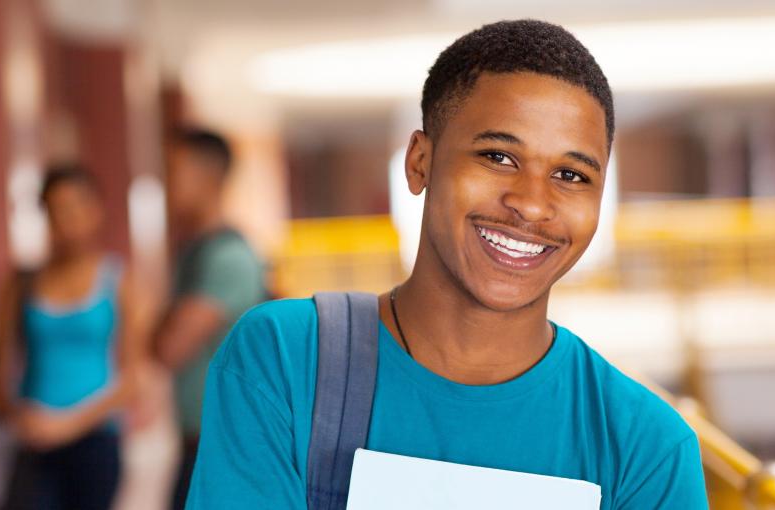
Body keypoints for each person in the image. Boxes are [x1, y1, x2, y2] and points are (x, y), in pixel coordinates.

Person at [186, 20, 708, 509]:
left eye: (571, 175)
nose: (531, 203)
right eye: (498, 157)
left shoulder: (646, 445)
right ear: (420, 162)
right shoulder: (286, 359)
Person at [0, 165, 148, 510]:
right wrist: (21, 417)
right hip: (34, 441)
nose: (67, 221)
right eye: (57, 211)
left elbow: (133, 376)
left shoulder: (117, 281)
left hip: (96, 439)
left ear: (96, 211)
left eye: (76, 209)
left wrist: (68, 425)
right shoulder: (20, 283)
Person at [152, 129, 267, 509]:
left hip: (221, 443)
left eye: (174, 171)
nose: (165, 183)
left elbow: (168, 348)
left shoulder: (227, 258)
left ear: (209, 176)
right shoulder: (195, 252)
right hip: (197, 439)